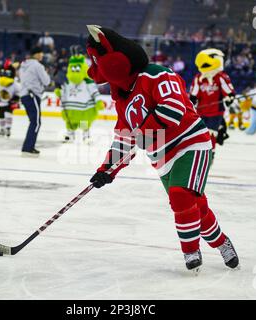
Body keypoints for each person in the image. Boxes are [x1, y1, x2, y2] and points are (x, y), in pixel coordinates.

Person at [85, 25, 239, 272]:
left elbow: (173, 109)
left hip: (192, 142)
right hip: (163, 157)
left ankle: (191, 252)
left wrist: (143, 132)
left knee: (181, 197)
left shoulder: (155, 74)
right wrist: (107, 169)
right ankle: (221, 242)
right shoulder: (122, 100)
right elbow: (125, 138)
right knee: (195, 205)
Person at [189, 48, 235, 160]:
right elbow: (193, 94)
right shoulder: (199, 78)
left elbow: (229, 91)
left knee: (211, 134)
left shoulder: (221, 77)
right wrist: (193, 101)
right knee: (199, 134)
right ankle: (198, 152)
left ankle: (210, 154)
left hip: (216, 112)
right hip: (201, 111)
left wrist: (229, 98)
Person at [54, 46, 104, 143]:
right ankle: (69, 135)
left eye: (77, 69)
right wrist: (59, 92)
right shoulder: (68, 83)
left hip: (83, 108)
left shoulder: (87, 82)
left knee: (83, 122)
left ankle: (85, 136)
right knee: (70, 122)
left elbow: (94, 92)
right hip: (71, 109)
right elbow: (64, 92)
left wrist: (98, 102)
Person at [18, 46, 51, 157]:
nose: (42, 55)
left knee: (34, 121)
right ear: (36, 54)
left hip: (24, 95)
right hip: (32, 95)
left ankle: (28, 147)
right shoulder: (37, 66)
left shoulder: (23, 65)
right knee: (36, 122)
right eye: (40, 53)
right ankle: (28, 148)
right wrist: (46, 73)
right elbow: (46, 81)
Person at [0, 60, 20, 138]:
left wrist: (15, 99)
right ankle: (2, 129)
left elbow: (18, 92)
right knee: (1, 116)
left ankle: (8, 128)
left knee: (8, 115)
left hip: (9, 102)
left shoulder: (14, 83)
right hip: (0, 102)